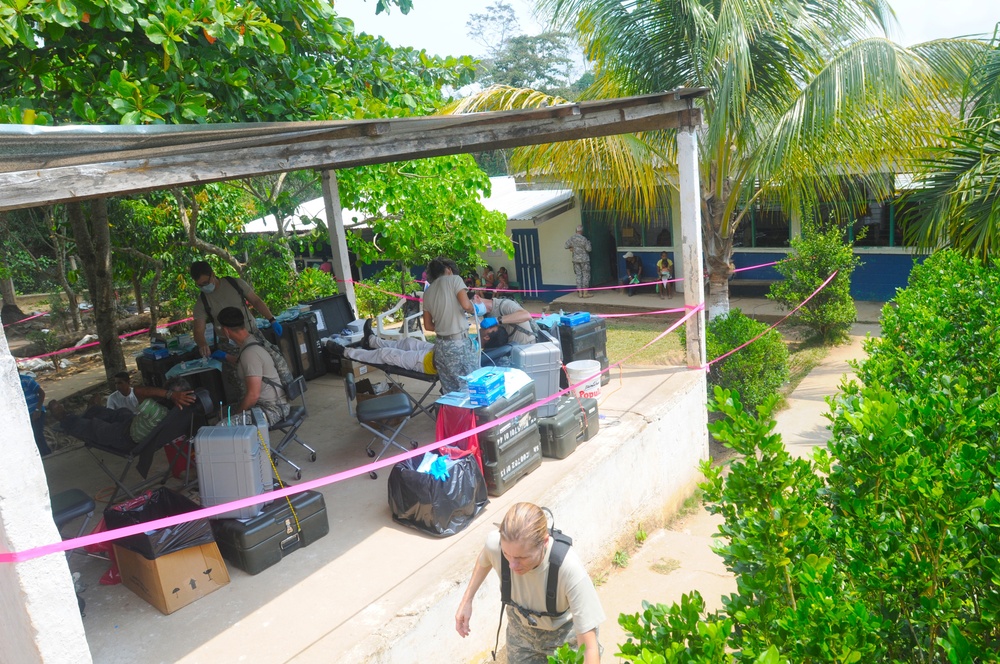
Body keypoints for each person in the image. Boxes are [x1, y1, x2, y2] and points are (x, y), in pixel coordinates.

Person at [455, 502, 604, 664]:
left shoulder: (568, 568)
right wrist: (467, 600)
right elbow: (484, 560)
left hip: (564, 638)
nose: (512, 565)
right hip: (521, 635)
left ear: (544, 542)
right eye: (506, 554)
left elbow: (589, 648)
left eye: (521, 558)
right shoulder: (495, 544)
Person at [48, 378, 195, 453]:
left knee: (96, 427)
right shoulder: (183, 413)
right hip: (135, 425)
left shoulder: (157, 411)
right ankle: (93, 409)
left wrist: (169, 394)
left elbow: (137, 391)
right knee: (122, 413)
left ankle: (64, 417)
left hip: (126, 439)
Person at [189, 260, 283, 358]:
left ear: (212, 274)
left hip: (251, 334)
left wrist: (272, 320)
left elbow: (256, 301)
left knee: (271, 361)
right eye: (200, 285)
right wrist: (203, 344)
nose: (204, 287)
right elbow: (198, 331)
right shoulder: (202, 302)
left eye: (205, 282)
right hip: (229, 344)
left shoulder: (234, 283)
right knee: (242, 370)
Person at [214, 306, 290, 425]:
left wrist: (237, 415)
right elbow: (249, 364)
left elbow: (253, 395)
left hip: (272, 409)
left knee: (224, 425)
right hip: (269, 404)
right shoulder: (253, 341)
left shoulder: (249, 353)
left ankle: (254, 444)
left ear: (226, 331)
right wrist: (227, 357)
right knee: (223, 413)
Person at [423, 257, 480, 394]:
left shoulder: (428, 292)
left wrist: (444, 325)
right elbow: (466, 305)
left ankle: (451, 415)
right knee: (469, 388)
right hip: (458, 344)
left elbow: (428, 326)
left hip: (441, 347)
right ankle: (470, 416)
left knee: (450, 392)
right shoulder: (455, 280)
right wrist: (476, 308)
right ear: (448, 269)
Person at [19, 372, 51, 456]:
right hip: (25, 415)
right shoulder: (11, 385)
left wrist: (37, 410)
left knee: (38, 434)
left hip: (36, 411)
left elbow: (42, 393)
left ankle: (46, 454)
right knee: (33, 436)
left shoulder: (26, 379)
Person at [564, 225, 593, 298]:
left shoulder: (572, 238)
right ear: (582, 231)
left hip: (575, 259)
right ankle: (585, 293)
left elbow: (565, 246)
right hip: (584, 260)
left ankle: (580, 293)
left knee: (578, 275)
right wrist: (589, 243)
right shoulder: (584, 239)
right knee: (586, 275)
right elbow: (589, 249)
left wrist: (571, 248)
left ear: (576, 231)